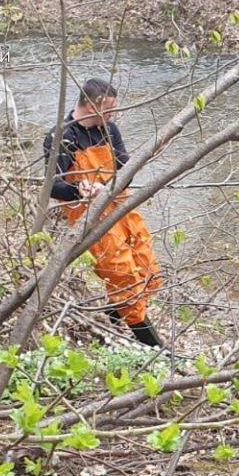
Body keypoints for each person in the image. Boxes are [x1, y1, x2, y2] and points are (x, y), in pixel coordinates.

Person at [43, 78, 164, 347]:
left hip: (122, 207)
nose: (113, 116)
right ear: (90, 107)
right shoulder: (61, 137)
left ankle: (112, 319)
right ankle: (154, 349)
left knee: (148, 268)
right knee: (124, 276)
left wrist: (127, 172)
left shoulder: (110, 130)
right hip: (91, 217)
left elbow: (125, 170)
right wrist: (80, 189)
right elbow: (52, 186)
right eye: (109, 110)